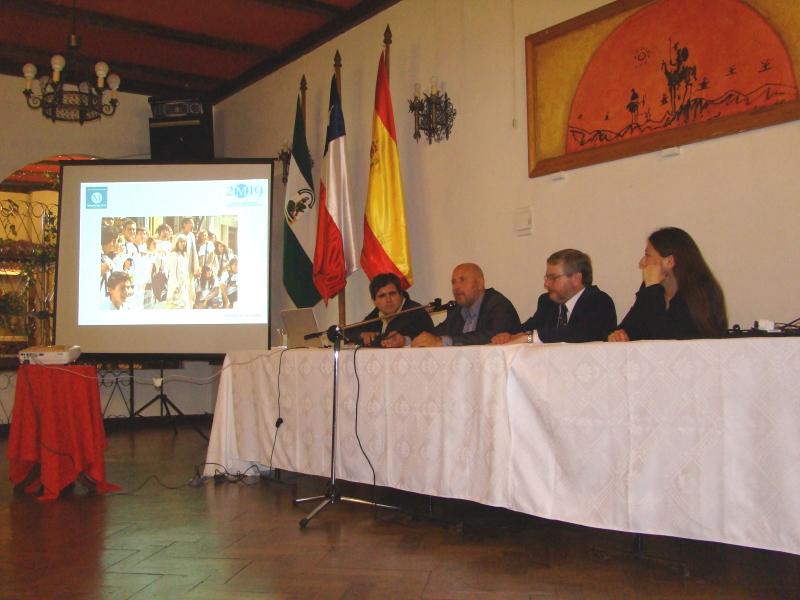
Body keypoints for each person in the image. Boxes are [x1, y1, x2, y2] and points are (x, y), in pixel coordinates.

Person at [608, 227, 727, 341]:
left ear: (669, 261)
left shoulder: (702, 292)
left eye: (647, 255)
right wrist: (619, 335)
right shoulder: (650, 289)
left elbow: (667, 340)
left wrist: (653, 289)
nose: (642, 263)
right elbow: (630, 328)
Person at [491, 249, 616, 344]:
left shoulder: (599, 301)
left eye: (553, 278)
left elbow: (582, 333)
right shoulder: (547, 302)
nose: (546, 284)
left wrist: (530, 337)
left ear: (576, 279)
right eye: (546, 278)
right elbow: (528, 328)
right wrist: (507, 335)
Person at [411, 263, 520, 347]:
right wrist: (407, 340)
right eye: (453, 282)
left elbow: (491, 336)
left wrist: (444, 341)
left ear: (480, 284)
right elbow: (436, 334)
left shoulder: (498, 304)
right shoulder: (457, 309)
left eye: (462, 280)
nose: (456, 287)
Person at [347, 273, 434, 347]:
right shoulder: (378, 313)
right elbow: (344, 334)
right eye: (382, 296)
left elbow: (387, 340)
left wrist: (365, 340)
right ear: (374, 301)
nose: (388, 300)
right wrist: (361, 335)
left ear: (401, 294)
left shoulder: (416, 312)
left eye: (392, 294)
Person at [166, 234, 192, 308]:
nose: (183, 243)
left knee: (184, 306)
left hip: (183, 286)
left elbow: (186, 271)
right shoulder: (174, 255)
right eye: (181, 241)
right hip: (176, 286)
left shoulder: (184, 255)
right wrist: (175, 286)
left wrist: (187, 283)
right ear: (177, 243)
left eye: (184, 241)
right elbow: (172, 272)